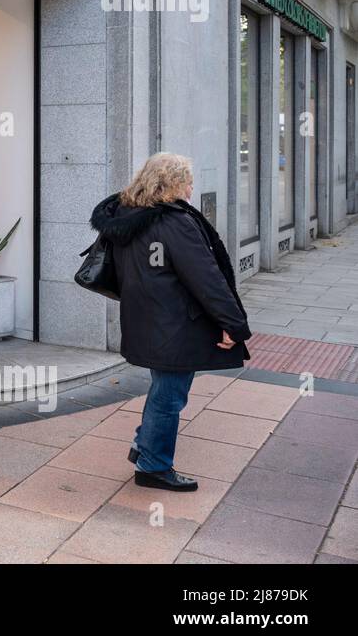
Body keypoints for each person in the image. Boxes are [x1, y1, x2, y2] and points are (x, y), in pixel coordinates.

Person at [89, 153, 251, 492]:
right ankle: (153, 466)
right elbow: (206, 278)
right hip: (175, 324)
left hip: (145, 319)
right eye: (187, 181)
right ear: (173, 184)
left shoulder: (126, 215)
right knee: (170, 395)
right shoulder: (174, 222)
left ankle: (144, 445)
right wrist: (233, 323)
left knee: (164, 388)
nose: (192, 187)